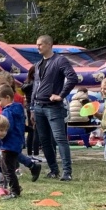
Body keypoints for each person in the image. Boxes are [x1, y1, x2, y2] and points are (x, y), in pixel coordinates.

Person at [31, 35, 78, 181]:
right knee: (44, 140)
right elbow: (35, 86)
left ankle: (67, 172)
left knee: (59, 139)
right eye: (37, 44)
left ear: (49, 45)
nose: (37, 47)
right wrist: (32, 107)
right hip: (38, 106)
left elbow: (72, 78)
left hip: (53, 107)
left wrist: (61, 95)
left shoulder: (60, 60)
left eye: (40, 44)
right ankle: (53, 170)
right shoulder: (38, 64)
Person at [0, 85, 25, 200]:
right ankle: (16, 187)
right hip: (17, 143)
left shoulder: (7, 112)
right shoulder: (19, 108)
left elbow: (6, 127)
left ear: (7, 97)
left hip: (8, 145)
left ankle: (14, 192)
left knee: (8, 170)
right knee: (8, 169)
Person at [21, 66, 40, 156]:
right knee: (35, 130)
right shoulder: (35, 83)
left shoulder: (26, 83)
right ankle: (35, 153)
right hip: (35, 106)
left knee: (32, 130)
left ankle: (30, 153)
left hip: (29, 107)